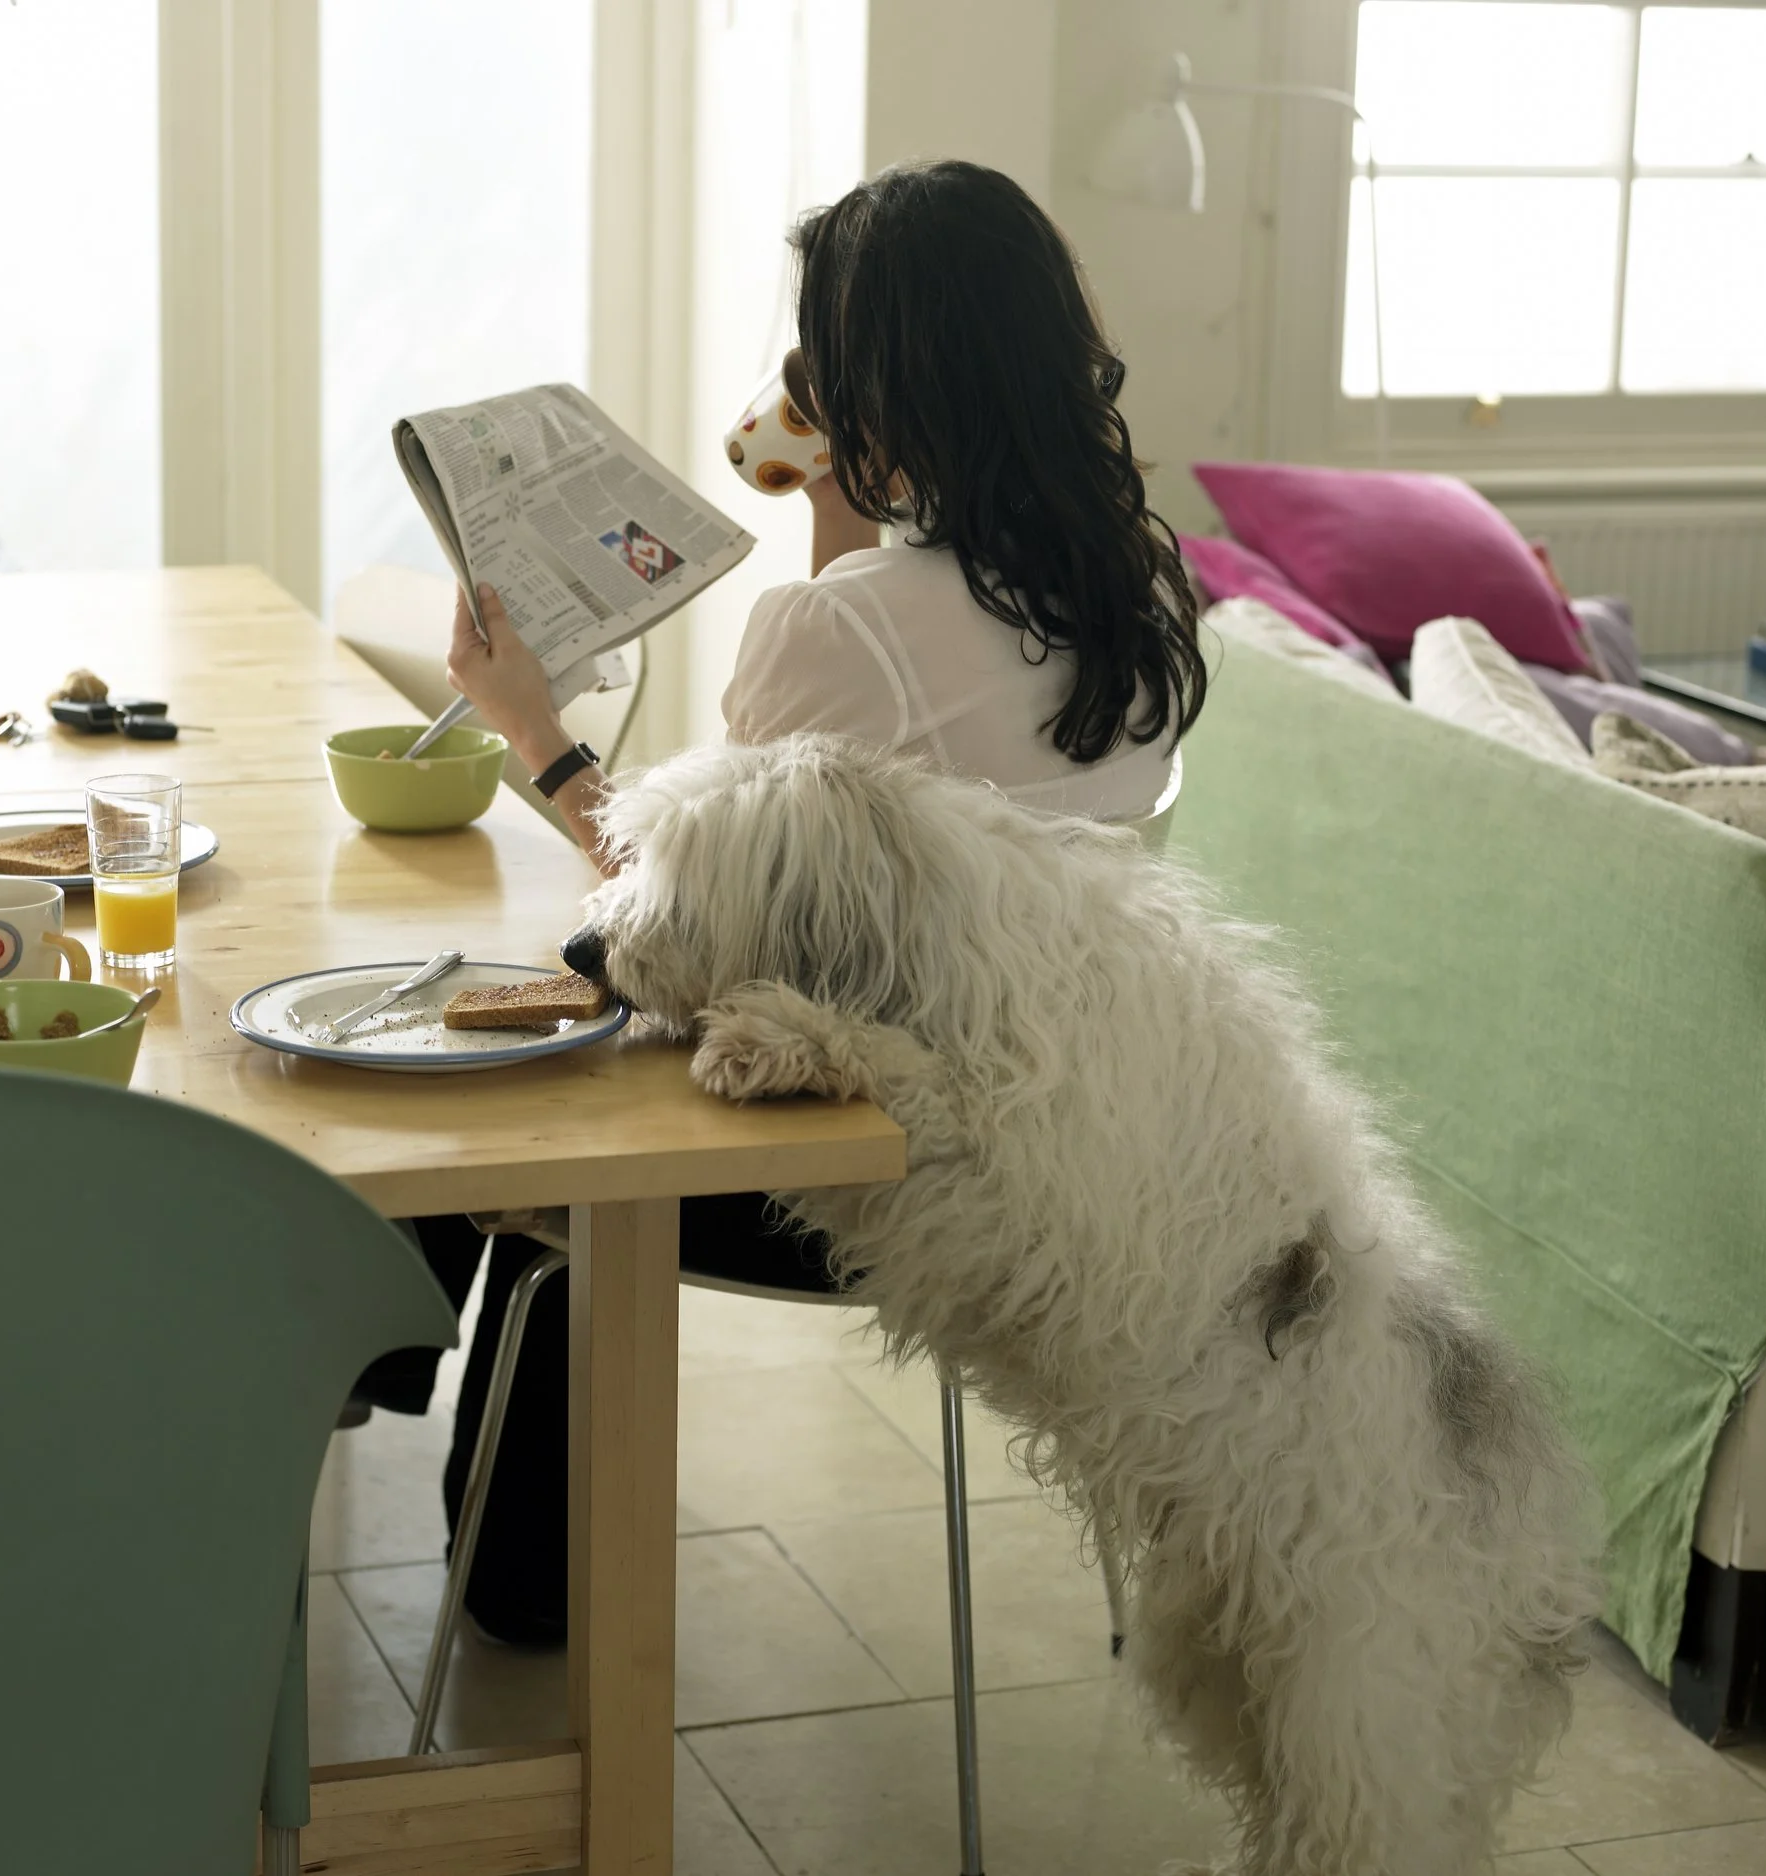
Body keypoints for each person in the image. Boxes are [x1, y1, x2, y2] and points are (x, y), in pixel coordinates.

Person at [364, 158, 1208, 1646]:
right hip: (1079, 1141)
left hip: (859, 1158)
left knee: (526, 1060)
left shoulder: (834, 633)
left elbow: (675, 918)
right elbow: (881, 784)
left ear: (876, 388)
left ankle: (383, 1402)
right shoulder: (1127, 602)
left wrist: (534, 731)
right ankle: (426, 1423)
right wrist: (849, 506)